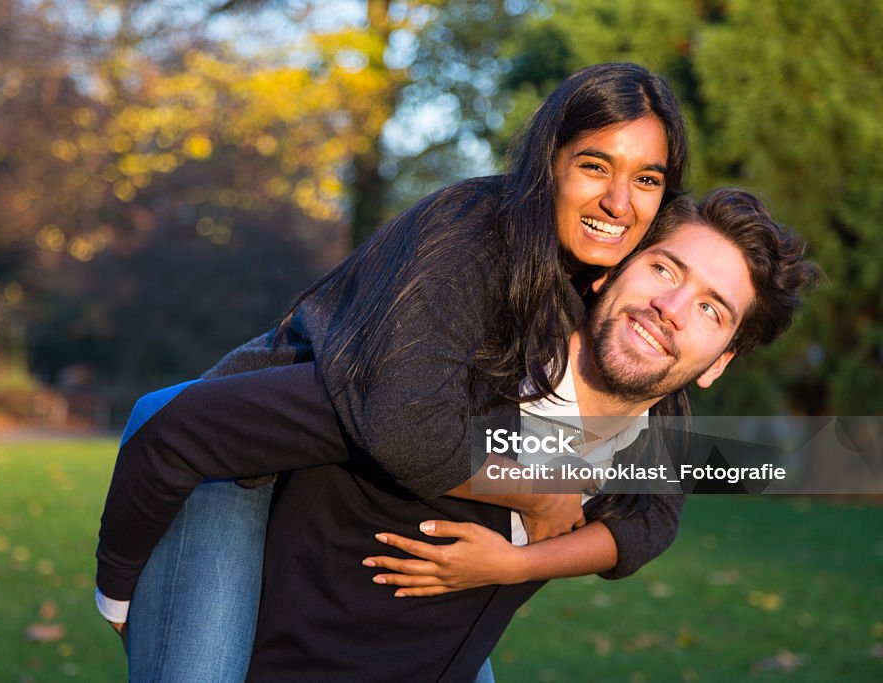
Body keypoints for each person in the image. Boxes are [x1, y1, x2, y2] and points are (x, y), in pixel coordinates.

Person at [97, 62, 689, 680]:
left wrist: (516, 563)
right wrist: (540, 490)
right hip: (241, 465)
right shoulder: (472, 235)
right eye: (596, 165)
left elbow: (656, 514)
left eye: (646, 178)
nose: (619, 201)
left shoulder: (633, 309)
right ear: (549, 164)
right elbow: (405, 428)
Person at [102, 189, 819, 681]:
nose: (669, 307)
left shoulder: (656, 447)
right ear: (610, 273)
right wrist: (120, 593)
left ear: (719, 362)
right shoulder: (449, 375)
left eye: (710, 309)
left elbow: (651, 525)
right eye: (664, 268)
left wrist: (519, 563)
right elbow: (178, 422)